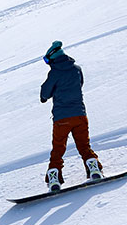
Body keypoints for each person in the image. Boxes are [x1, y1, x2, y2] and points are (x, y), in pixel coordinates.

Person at [39, 40, 103, 191]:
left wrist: (46, 95)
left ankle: (54, 178)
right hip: (80, 115)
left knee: (58, 149)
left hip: (62, 118)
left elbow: (45, 94)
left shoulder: (54, 73)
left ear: (52, 58)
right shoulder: (76, 69)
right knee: (84, 145)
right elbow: (79, 85)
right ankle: (94, 168)